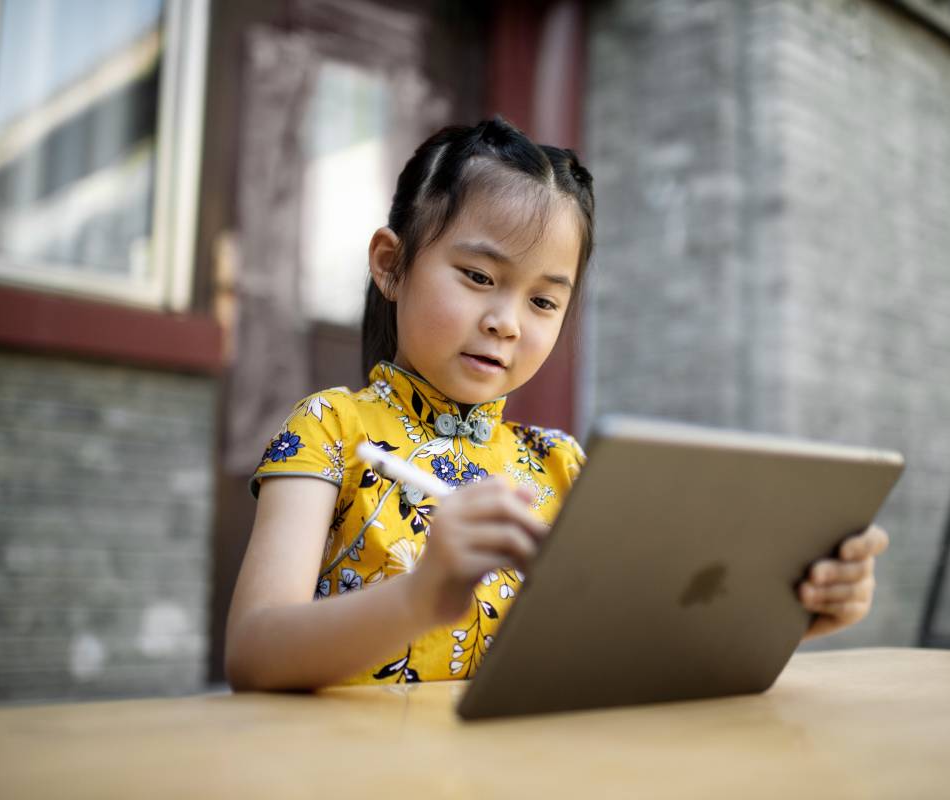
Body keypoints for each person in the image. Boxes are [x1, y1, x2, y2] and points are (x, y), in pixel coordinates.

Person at [225, 117, 889, 691]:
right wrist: (420, 598)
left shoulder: (561, 466)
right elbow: (253, 652)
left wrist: (787, 613)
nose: (507, 321)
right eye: (479, 277)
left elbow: (636, 646)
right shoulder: (331, 428)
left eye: (543, 300)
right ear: (390, 264)